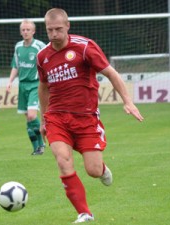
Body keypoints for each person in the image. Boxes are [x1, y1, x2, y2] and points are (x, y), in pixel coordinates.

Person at [37, 8, 144, 223]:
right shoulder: (43, 56)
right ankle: (84, 213)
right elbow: (43, 86)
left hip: (85, 118)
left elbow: (111, 73)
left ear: (68, 26)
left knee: (93, 170)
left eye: (58, 29)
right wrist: (43, 117)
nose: (54, 34)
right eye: (50, 30)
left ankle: (102, 169)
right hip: (57, 117)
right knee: (63, 160)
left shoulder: (85, 47)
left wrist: (128, 101)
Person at [6, 19, 46, 155]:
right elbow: (15, 66)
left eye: (28, 29)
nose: (25, 32)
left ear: (33, 31)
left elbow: (49, 60)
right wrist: (10, 81)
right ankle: (37, 147)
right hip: (22, 85)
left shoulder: (39, 46)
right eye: (23, 30)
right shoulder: (18, 47)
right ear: (20, 32)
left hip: (35, 84)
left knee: (31, 115)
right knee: (28, 119)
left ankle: (41, 144)